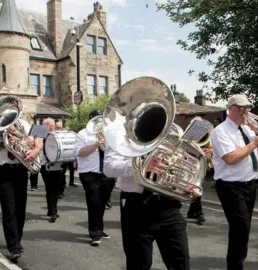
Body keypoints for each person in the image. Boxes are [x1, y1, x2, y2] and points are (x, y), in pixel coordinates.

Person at [104, 144, 191, 270]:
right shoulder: (122, 133)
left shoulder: (173, 136)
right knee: (139, 263)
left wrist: (185, 184)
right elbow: (108, 168)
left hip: (170, 206)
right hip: (137, 206)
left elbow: (178, 166)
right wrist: (141, 165)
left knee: (180, 261)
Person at [211, 94, 258, 270]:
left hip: (249, 184)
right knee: (240, 229)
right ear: (230, 109)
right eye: (241, 108)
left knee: (244, 230)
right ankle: (235, 267)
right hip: (231, 186)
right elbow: (230, 158)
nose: (246, 111)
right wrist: (253, 144)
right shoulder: (221, 131)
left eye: (247, 108)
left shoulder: (248, 129)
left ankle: (238, 264)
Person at [0, 117, 42, 260]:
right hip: (3, 169)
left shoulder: (23, 123)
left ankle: (17, 239)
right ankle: (13, 245)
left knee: (20, 208)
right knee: (8, 207)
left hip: (21, 167)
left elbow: (37, 139)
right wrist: (3, 144)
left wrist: (35, 149)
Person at [74, 110, 115, 246]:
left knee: (102, 203)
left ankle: (99, 228)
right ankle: (95, 232)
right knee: (94, 203)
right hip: (89, 173)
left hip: (107, 173)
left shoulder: (110, 133)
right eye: (96, 120)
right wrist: (96, 144)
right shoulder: (83, 134)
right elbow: (79, 153)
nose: (99, 123)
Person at [40, 118, 62, 223]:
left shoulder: (58, 136)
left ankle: (51, 209)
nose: (50, 128)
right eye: (48, 126)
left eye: (52, 126)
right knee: (50, 188)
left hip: (57, 166)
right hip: (46, 166)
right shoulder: (41, 137)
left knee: (55, 189)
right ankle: (53, 211)